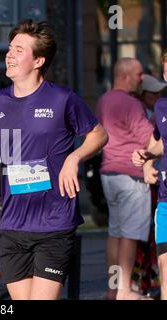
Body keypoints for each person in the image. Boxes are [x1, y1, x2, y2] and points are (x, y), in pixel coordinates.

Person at [0, 20, 108, 300]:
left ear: (38, 60)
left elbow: (99, 134)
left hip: (54, 221)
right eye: (9, 48)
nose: (9, 54)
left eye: (19, 50)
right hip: (12, 223)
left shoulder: (62, 98)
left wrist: (74, 158)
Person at [97, 57, 154, 300]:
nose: (142, 79)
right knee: (130, 234)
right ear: (125, 76)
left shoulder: (104, 100)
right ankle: (124, 290)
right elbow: (150, 139)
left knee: (115, 233)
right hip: (131, 176)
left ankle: (113, 289)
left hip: (109, 173)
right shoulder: (131, 104)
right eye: (139, 74)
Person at [132, 50, 167, 300]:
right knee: (165, 269)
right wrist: (146, 157)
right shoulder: (162, 106)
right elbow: (159, 143)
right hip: (165, 201)